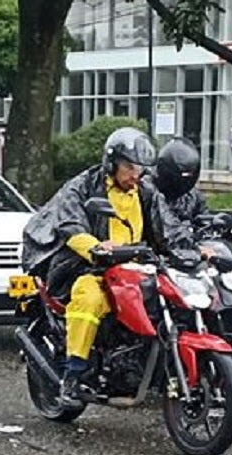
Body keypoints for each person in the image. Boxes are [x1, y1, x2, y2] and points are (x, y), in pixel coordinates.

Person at [21, 127, 193, 407]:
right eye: (129, 167)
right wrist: (96, 248)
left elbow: (168, 228)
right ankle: (73, 375)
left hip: (135, 268)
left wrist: (194, 251)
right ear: (111, 162)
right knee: (90, 300)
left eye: (139, 168)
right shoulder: (83, 186)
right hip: (86, 266)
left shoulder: (145, 190)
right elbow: (70, 224)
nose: (135, 175)